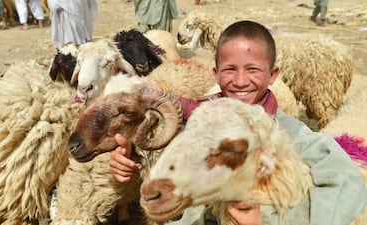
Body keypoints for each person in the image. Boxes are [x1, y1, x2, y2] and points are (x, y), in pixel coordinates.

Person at [109, 20, 367, 225]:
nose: (241, 81)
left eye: (253, 70)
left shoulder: (291, 135)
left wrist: (269, 220)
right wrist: (134, 165)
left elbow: (349, 185)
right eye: (230, 69)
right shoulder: (199, 128)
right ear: (216, 73)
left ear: (273, 74)